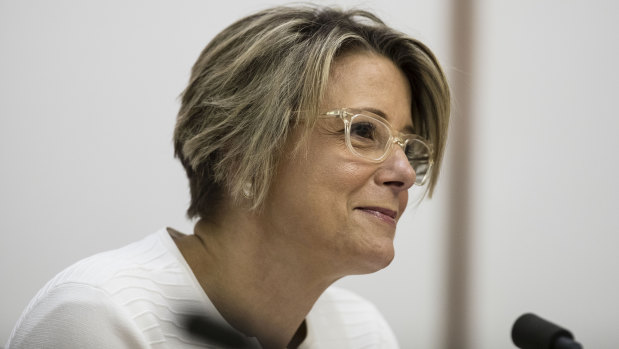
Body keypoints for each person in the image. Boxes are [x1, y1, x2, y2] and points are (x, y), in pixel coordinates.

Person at [6, 5, 449, 349]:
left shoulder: (361, 333)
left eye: (408, 147)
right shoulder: (99, 316)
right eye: (364, 131)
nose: (405, 173)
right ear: (241, 151)